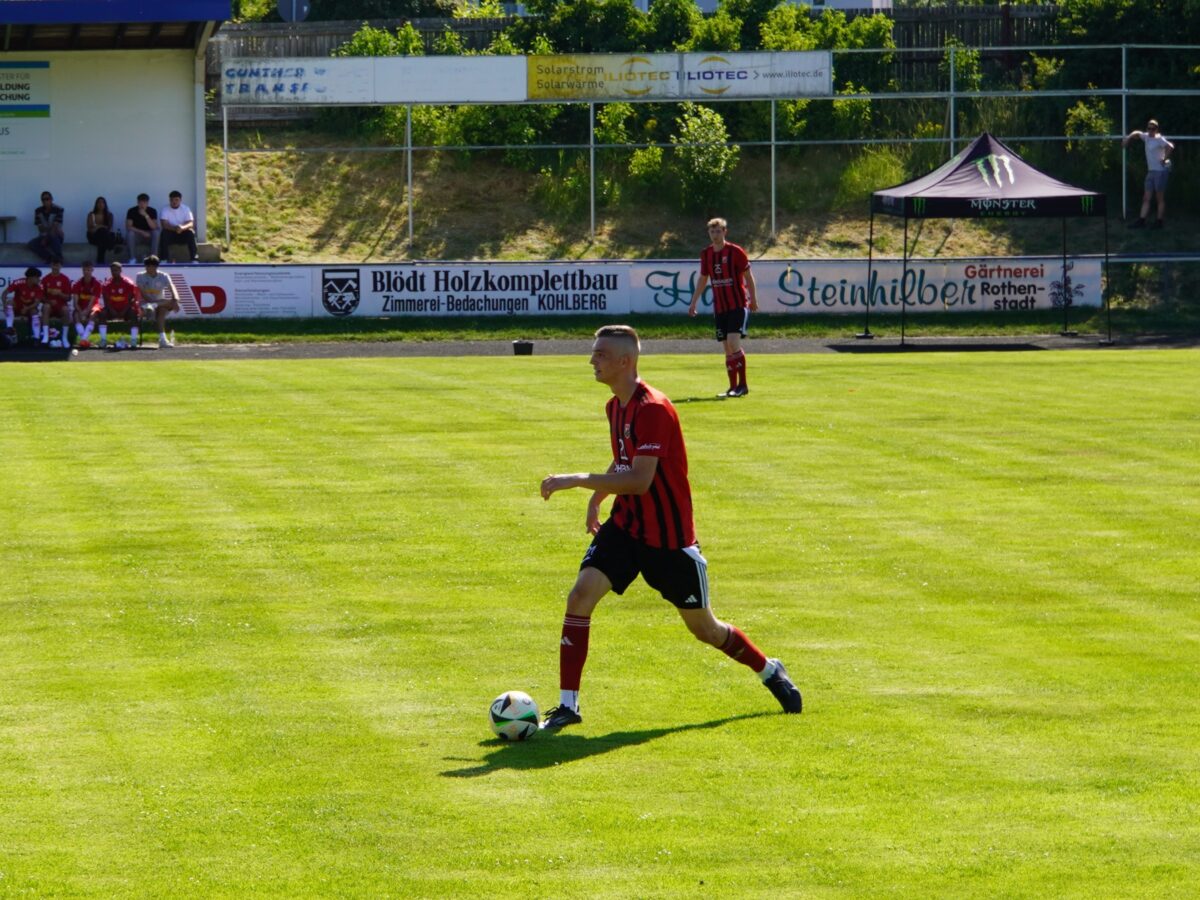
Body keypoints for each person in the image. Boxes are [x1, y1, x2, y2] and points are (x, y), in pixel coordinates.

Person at [537, 324, 802, 730]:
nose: (592, 360)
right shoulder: (615, 406)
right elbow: (624, 461)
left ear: (625, 361)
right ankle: (567, 706)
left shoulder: (654, 409)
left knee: (707, 630)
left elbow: (640, 480)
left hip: (668, 541)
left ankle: (768, 669)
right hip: (626, 527)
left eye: (600, 354)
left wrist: (578, 480)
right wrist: (598, 497)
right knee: (580, 597)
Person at [687, 217, 758, 398]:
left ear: (725, 232)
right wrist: (693, 301)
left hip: (737, 304)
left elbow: (748, 276)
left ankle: (743, 385)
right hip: (720, 307)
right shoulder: (706, 254)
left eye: (718, 231)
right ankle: (732, 387)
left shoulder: (735, 251)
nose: (715, 235)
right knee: (727, 348)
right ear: (708, 233)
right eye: (712, 232)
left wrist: (753, 299)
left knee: (733, 342)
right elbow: (703, 279)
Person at [1122, 119, 1175, 229]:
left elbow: (1170, 146)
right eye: (1149, 128)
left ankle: (1159, 222)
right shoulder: (1146, 137)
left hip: (1160, 172)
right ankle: (1141, 221)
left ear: (1157, 129)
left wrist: (1164, 159)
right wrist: (1128, 138)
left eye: (1153, 129)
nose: (1150, 130)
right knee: (1146, 198)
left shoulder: (1159, 139)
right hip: (1151, 172)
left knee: (1159, 198)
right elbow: (1137, 133)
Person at [91, 261, 142, 349]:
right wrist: (112, 311)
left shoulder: (129, 284)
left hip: (126, 310)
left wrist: (123, 311)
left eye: (116, 270)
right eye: (112, 271)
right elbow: (106, 302)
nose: (114, 272)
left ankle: (133, 341)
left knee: (134, 313)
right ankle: (103, 340)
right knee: (102, 313)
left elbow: (131, 300)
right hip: (112, 310)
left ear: (120, 270)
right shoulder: (106, 285)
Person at [135, 255, 179, 348]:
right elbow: (143, 294)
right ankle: (163, 339)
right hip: (144, 305)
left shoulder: (164, 276)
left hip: (159, 303)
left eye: (149, 266)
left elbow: (172, 288)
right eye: (146, 266)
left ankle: (162, 340)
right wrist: (151, 303)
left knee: (166, 306)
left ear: (155, 267)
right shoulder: (140, 276)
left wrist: (175, 300)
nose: (147, 268)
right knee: (162, 308)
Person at [3, 267, 46, 344]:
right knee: (9, 302)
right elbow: (4, 293)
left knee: (34, 311)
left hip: (30, 308)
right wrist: (4, 305)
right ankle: (9, 328)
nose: (39, 279)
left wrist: (27, 308)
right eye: (37, 277)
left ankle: (36, 338)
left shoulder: (39, 286)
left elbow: (36, 303)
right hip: (18, 307)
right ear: (30, 278)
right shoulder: (19, 282)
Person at [39, 258, 73, 347]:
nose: (55, 267)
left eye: (57, 265)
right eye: (54, 265)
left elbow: (69, 298)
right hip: (50, 306)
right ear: (51, 265)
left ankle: (64, 338)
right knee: (46, 307)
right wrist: (49, 301)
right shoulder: (45, 279)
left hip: (61, 306)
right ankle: (45, 336)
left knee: (66, 310)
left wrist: (60, 294)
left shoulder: (65, 279)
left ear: (60, 266)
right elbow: (41, 297)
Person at [71, 261, 104, 348]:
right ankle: (85, 340)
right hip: (81, 307)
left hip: (93, 307)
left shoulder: (97, 284)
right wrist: (81, 312)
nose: (86, 272)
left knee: (93, 314)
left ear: (92, 270)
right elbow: (75, 303)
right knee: (76, 315)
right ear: (82, 270)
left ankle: (83, 339)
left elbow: (92, 302)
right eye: (85, 270)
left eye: (88, 270)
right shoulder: (77, 284)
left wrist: (85, 313)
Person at [158, 190, 198, 262]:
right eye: (172, 200)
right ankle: (164, 259)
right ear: (169, 200)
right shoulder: (165, 209)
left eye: (176, 200)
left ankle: (194, 259)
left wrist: (182, 228)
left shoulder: (186, 209)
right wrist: (175, 229)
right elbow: (164, 224)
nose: (174, 202)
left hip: (183, 232)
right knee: (164, 233)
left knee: (191, 233)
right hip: (171, 233)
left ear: (180, 200)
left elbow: (191, 223)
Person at [27, 191, 65, 263]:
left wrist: (46, 237)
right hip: (43, 235)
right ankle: (49, 258)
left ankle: (59, 258)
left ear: (51, 199)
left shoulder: (59, 209)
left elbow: (54, 228)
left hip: (56, 236)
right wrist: (49, 231)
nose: (45, 201)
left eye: (47, 199)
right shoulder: (38, 211)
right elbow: (40, 228)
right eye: (43, 199)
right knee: (31, 244)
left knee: (53, 236)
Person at [125, 193, 160, 264]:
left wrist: (146, 215)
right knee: (130, 233)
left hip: (149, 235)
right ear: (137, 202)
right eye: (140, 203)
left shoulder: (152, 211)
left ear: (147, 203)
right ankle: (132, 259)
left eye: (144, 203)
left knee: (156, 232)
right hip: (138, 235)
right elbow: (128, 226)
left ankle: (154, 259)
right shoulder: (131, 211)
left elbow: (154, 227)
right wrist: (142, 232)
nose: (142, 205)